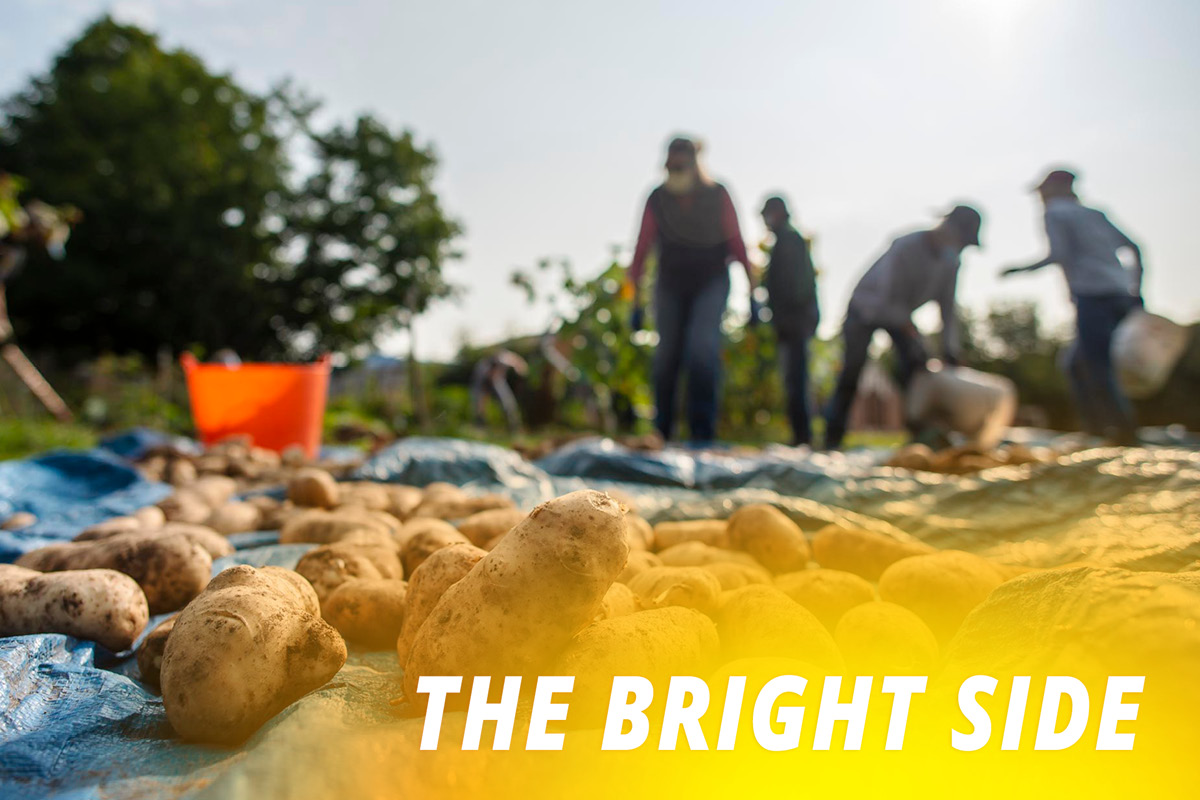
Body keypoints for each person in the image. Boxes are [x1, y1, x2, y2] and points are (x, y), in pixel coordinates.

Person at [626, 136, 758, 444]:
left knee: (702, 347)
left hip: (710, 281)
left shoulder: (717, 194)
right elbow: (642, 247)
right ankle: (663, 432)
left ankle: (702, 434)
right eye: (669, 166)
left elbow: (736, 241)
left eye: (680, 165)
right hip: (670, 282)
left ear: (694, 163)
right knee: (667, 353)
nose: (674, 171)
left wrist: (753, 293)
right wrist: (636, 302)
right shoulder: (657, 198)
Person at [1000, 168, 1143, 444]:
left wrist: (1019, 269)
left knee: (1095, 365)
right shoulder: (1095, 214)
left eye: (1042, 190)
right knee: (1076, 363)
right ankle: (1101, 431)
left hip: (1092, 296)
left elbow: (1058, 254)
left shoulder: (1055, 213)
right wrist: (1137, 290)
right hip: (1121, 295)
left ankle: (1120, 434)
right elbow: (1135, 248)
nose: (1040, 196)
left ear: (1056, 188)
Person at [823, 204, 983, 450]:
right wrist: (906, 326)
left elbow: (948, 309)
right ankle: (832, 438)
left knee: (917, 368)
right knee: (852, 370)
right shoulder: (907, 247)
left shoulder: (951, 263)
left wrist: (951, 351)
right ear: (948, 227)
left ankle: (924, 435)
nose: (960, 247)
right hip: (866, 308)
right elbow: (887, 296)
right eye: (961, 239)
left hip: (901, 314)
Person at [760, 195, 820, 446]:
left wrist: (787, 318)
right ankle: (801, 436)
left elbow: (796, 286)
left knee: (796, 379)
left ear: (778, 214)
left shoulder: (789, 240)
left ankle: (802, 437)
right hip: (793, 322)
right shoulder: (786, 240)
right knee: (793, 379)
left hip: (795, 323)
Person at [470, 349, 528, 433]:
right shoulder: (483, 370)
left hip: (497, 378)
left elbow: (517, 361)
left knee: (508, 403)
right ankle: (480, 426)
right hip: (483, 381)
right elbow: (482, 392)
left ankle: (514, 427)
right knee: (479, 405)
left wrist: (520, 368)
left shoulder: (508, 360)